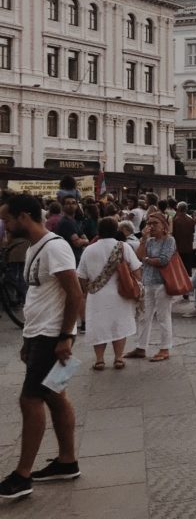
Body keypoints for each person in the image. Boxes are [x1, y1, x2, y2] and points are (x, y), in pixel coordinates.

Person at [0, 194, 83, 500]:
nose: (4, 225)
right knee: (55, 396)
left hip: (52, 337)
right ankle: (67, 461)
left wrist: (65, 336)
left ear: (24, 217)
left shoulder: (56, 247)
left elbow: (75, 294)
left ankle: (22, 476)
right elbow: (37, 297)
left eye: (7, 219)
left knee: (29, 400)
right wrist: (26, 338)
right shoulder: (35, 246)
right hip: (39, 335)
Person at [76, 217, 142, 371]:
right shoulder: (123, 247)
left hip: (96, 295)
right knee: (119, 325)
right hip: (120, 293)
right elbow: (137, 270)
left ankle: (99, 360)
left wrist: (86, 292)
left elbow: (82, 276)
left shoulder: (89, 249)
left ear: (99, 231)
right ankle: (118, 358)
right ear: (116, 230)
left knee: (98, 326)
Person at [125, 213, 176, 362]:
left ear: (164, 226)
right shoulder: (149, 241)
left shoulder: (169, 240)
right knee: (143, 316)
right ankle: (141, 347)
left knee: (163, 316)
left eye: (155, 223)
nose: (151, 227)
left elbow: (163, 260)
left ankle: (165, 348)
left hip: (163, 283)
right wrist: (143, 240)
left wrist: (146, 259)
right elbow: (137, 256)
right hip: (148, 282)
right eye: (149, 223)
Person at [54, 196, 88, 265]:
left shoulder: (74, 221)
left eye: (73, 203)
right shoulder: (66, 222)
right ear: (63, 206)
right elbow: (77, 243)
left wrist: (84, 240)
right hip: (69, 260)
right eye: (68, 203)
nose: (71, 205)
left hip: (75, 259)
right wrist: (85, 241)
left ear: (76, 206)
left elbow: (84, 238)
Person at [171, 202, 195, 276]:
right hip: (188, 246)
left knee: (179, 266)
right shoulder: (191, 219)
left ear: (178, 209)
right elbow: (193, 231)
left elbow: (173, 233)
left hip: (178, 246)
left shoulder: (176, 220)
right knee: (188, 265)